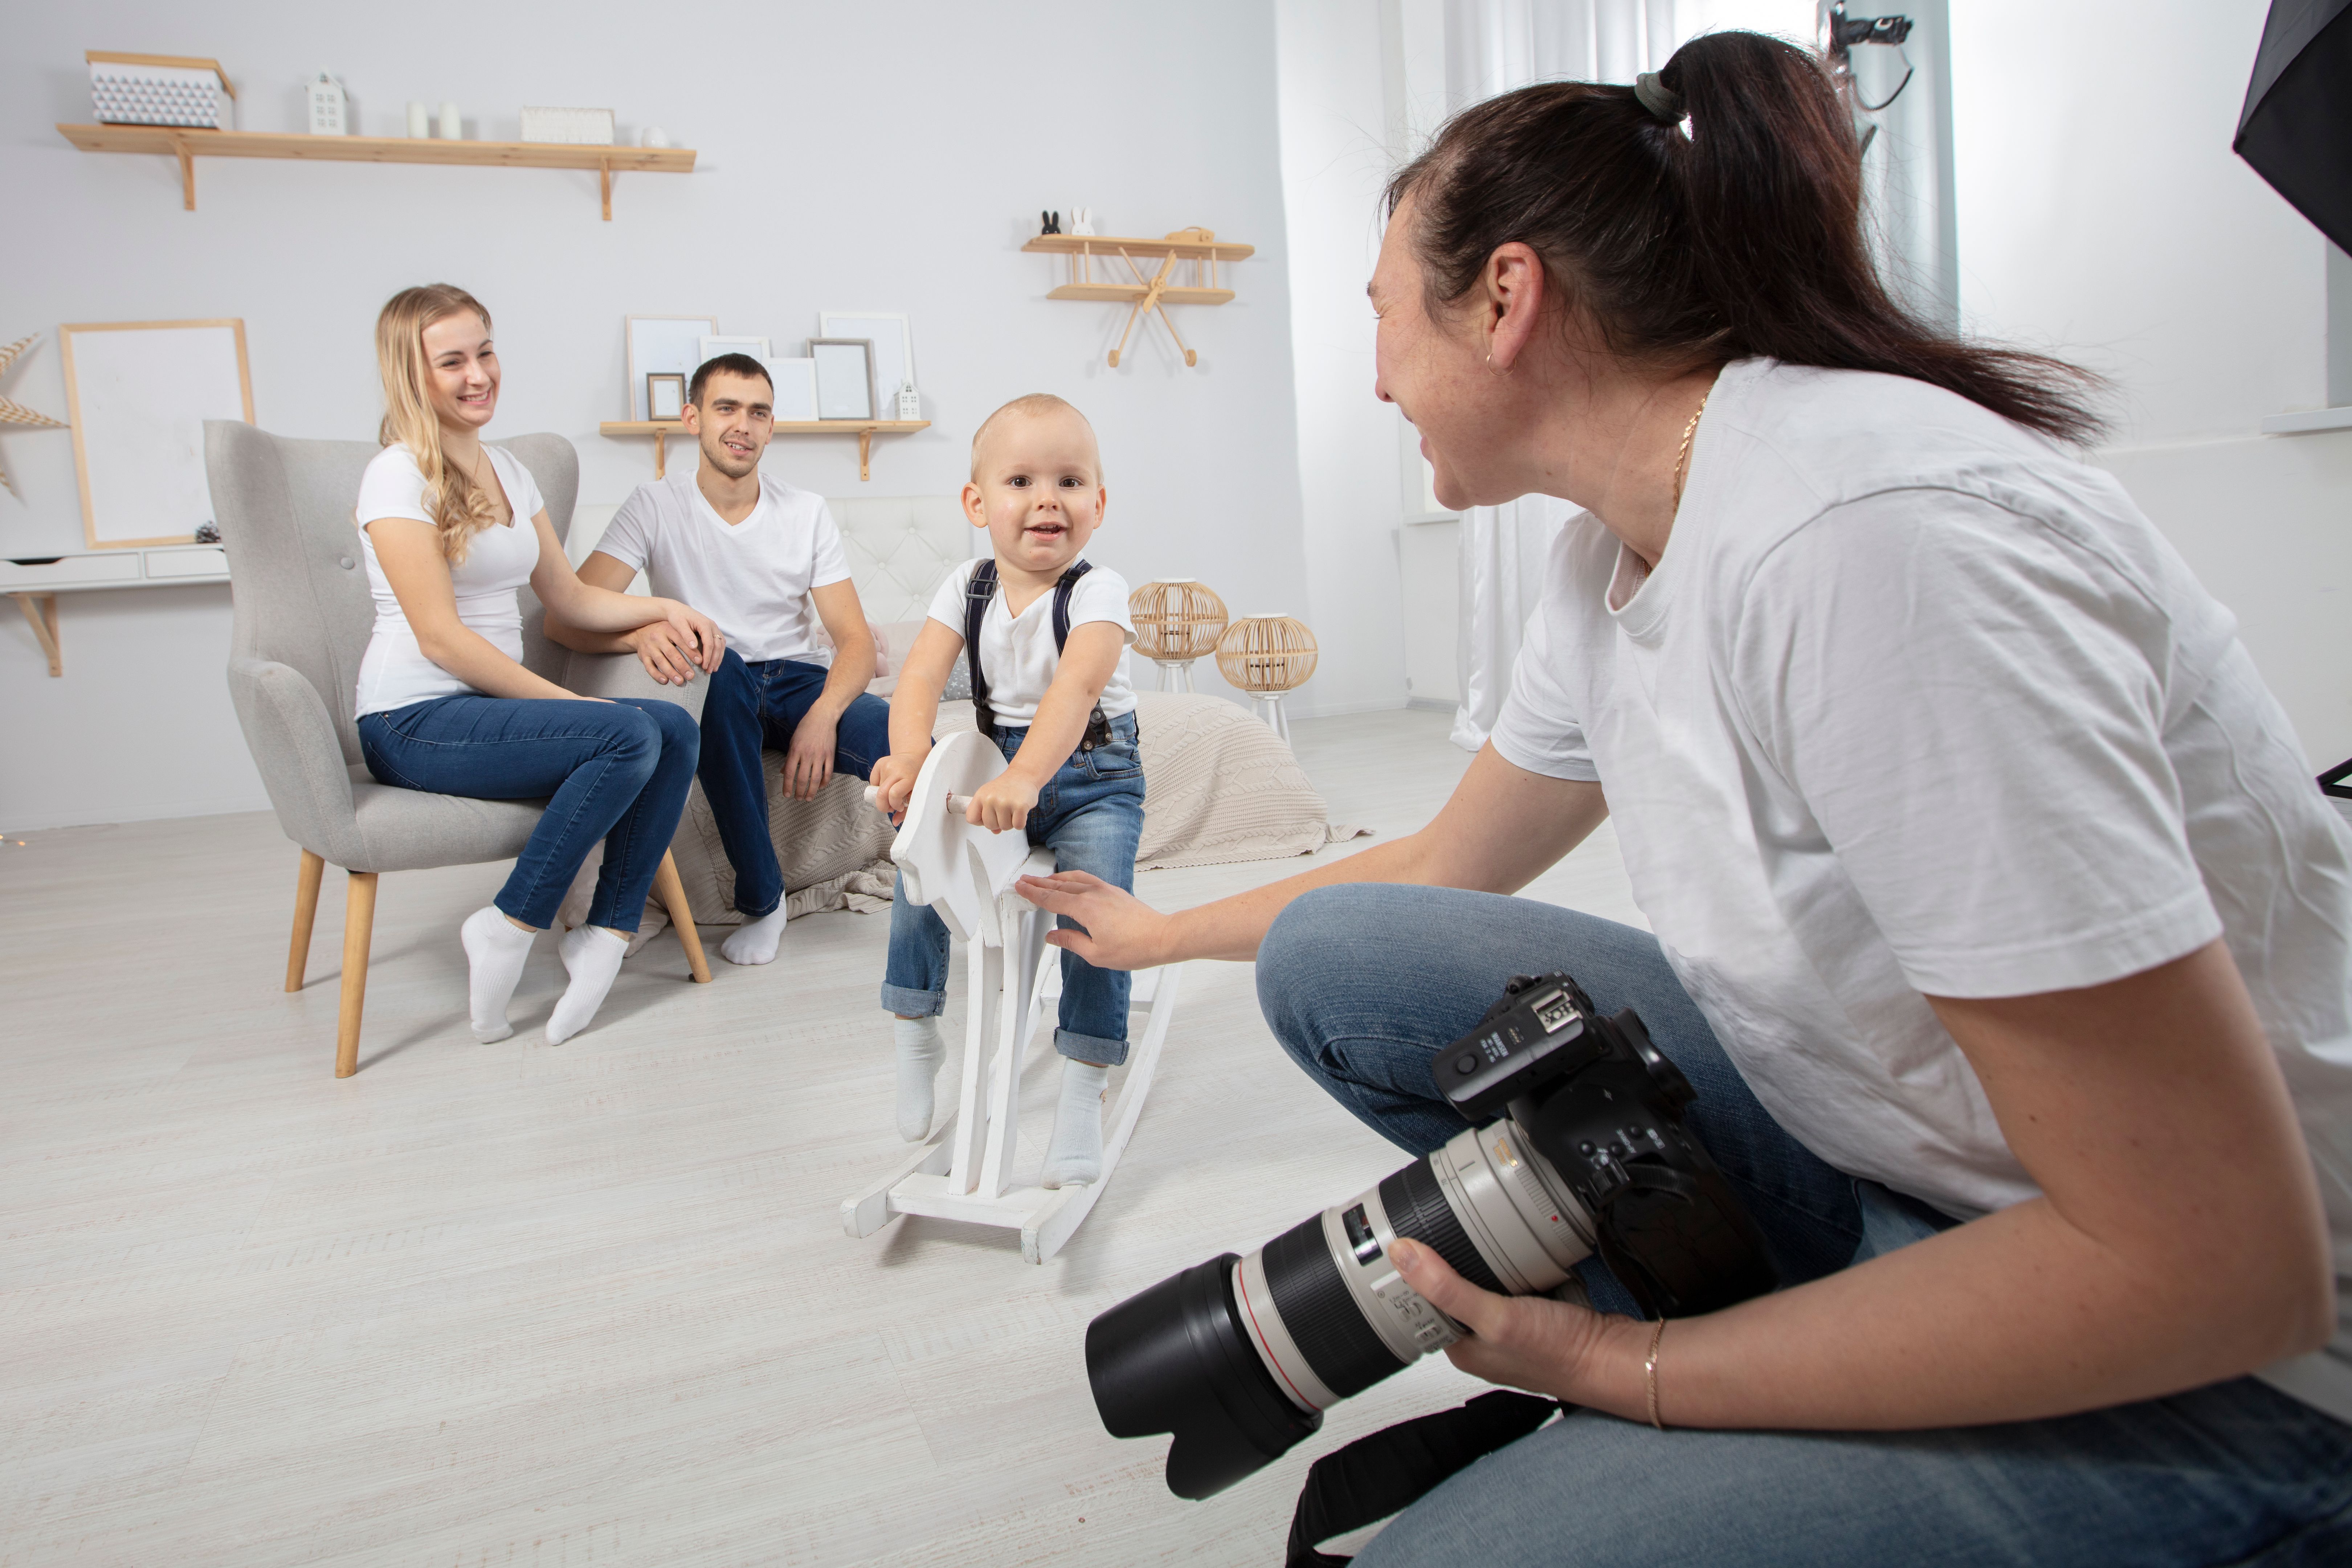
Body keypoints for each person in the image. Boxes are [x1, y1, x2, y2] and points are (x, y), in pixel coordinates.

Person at [1020, 33, 2352, 1565]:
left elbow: (2213, 1268)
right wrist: (1162, 930)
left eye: (1384, 316)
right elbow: (1452, 857)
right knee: (1345, 954)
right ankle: (1813, 1338)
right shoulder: (1615, 552)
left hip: (2235, 1359)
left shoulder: (1868, 549)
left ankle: (1795, 1376)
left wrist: (1625, 1373)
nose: (1378, 375)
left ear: (1508, 299)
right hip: (1918, 1172)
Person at [355, 285, 721, 1046]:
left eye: (484, 351)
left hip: (490, 717)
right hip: (412, 719)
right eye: (451, 361)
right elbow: (442, 641)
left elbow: (572, 599)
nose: (478, 374)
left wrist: (663, 610)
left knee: (673, 732)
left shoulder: (511, 471)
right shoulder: (395, 475)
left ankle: (607, 933)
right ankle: (509, 923)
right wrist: (582, 710)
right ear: (411, 376)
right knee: (625, 734)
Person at [869, 394, 1142, 1186]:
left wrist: (1030, 776)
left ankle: (1085, 1086)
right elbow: (920, 674)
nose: (1047, 499)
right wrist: (909, 760)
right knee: (918, 860)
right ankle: (915, 1028)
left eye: (1069, 480)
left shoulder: (1099, 591)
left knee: (1094, 904)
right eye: (1021, 480)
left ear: (1098, 502)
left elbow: (1076, 690)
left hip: (1094, 777)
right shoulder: (968, 584)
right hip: (1000, 775)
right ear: (978, 503)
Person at [549, 354, 891, 968]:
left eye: (758, 412)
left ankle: (957, 886)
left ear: (771, 426)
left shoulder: (805, 510)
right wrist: (641, 632)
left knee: (897, 733)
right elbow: (564, 618)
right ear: (693, 419)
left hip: (796, 681)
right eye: (727, 408)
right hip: (712, 679)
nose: (744, 425)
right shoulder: (653, 505)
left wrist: (822, 717)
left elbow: (856, 640)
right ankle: (765, 902)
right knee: (719, 664)